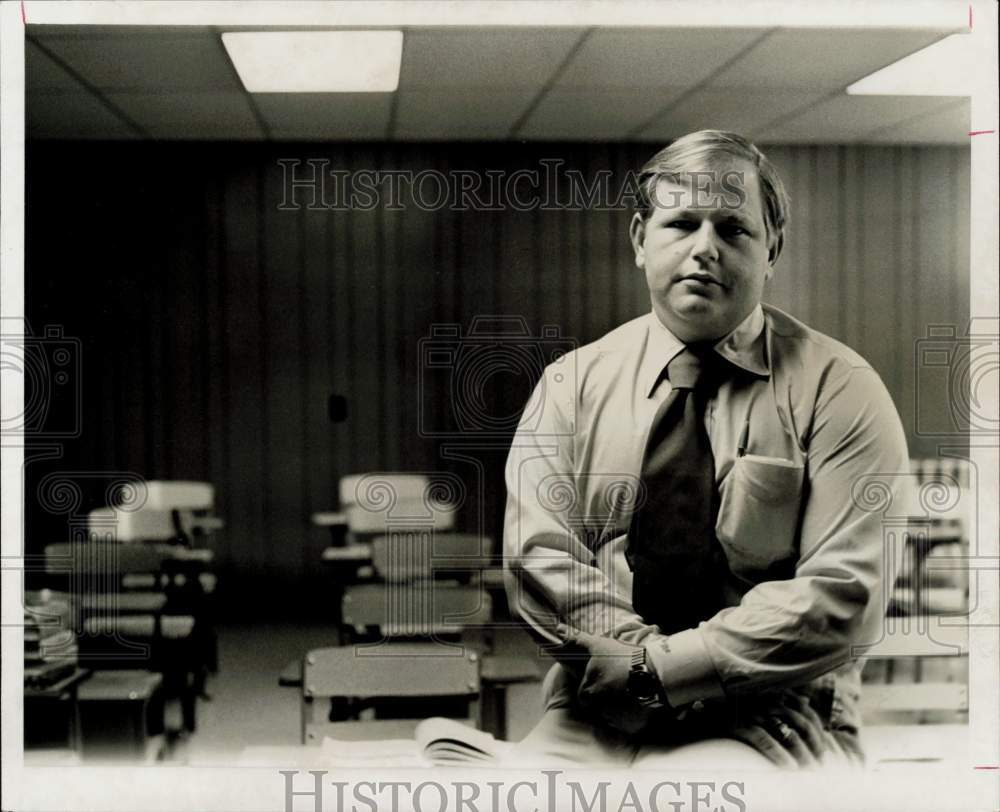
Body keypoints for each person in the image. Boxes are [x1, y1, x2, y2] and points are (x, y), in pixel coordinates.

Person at [502, 130, 910, 769]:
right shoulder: (570, 386)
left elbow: (842, 592)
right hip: (599, 708)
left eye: (733, 229)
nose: (704, 249)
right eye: (682, 224)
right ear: (640, 239)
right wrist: (643, 673)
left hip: (772, 715)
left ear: (772, 248)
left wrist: (668, 675)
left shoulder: (841, 389)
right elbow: (540, 562)